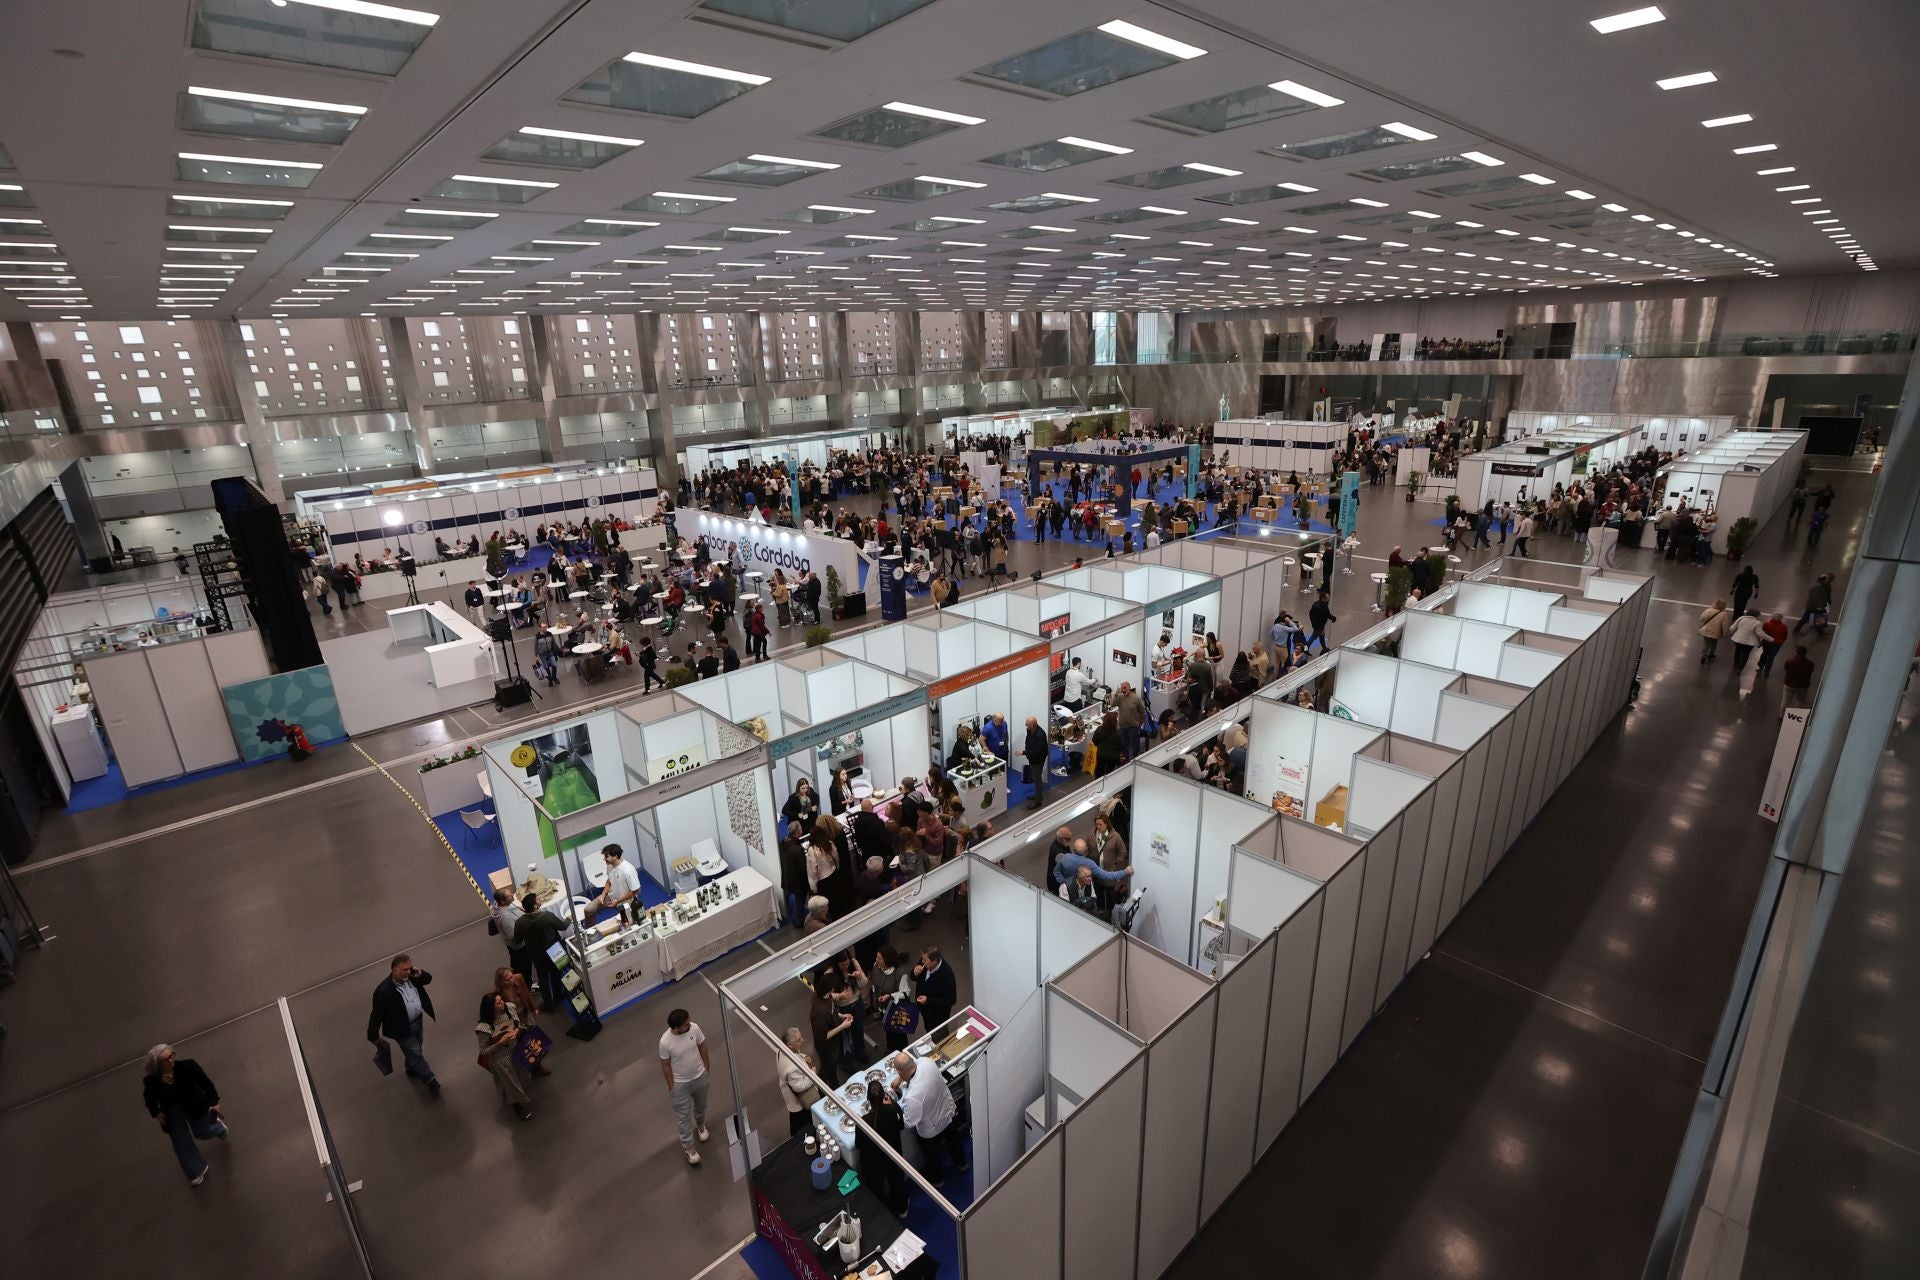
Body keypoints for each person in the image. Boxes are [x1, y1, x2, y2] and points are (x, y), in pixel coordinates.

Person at [142, 1044, 228, 1187]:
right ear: (157, 1064)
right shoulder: (152, 1081)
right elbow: (149, 1098)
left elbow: (206, 1084)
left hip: (195, 1106)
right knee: (181, 1143)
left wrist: (214, 1102)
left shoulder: (188, 1066)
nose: (170, 1061)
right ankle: (196, 1170)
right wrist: (156, 1113)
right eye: (165, 1060)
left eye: (171, 1056)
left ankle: (218, 1127)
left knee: (203, 1132)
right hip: (172, 1113)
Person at [366, 954, 439, 1095]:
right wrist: (372, 1035)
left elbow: (428, 979)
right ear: (394, 970)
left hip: (417, 1021)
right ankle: (430, 1079)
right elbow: (376, 1015)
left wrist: (419, 973)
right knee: (415, 1052)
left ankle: (411, 1068)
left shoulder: (412, 977)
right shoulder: (383, 991)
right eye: (405, 969)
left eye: (409, 968)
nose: (408, 972)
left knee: (417, 1046)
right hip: (401, 1029)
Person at [894, 1051, 968, 1183]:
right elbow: (913, 1064)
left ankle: (937, 1180)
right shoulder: (926, 1062)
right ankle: (962, 1164)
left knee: (932, 1157)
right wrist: (900, 1078)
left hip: (932, 1129)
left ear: (900, 1071)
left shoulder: (912, 1096)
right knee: (954, 1141)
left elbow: (910, 1122)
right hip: (948, 1111)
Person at [476, 981, 536, 1121]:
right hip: (501, 1058)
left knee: (521, 1075)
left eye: (501, 1000)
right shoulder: (484, 1028)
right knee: (510, 1082)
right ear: (490, 1008)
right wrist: (500, 1042)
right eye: (498, 1003)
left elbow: (519, 1024)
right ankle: (517, 1106)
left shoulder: (510, 1008)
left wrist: (517, 1031)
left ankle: (518, 1095)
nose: (502, 1003)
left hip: (516, 1049)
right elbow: (484, 1051)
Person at [658, 1009, 712, 1165]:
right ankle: (689, 1148)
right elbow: (666, 1066)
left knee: (702, 1106)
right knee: (683, 1118)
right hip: (680, 1085)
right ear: (676, 1028)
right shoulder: (665, 1042)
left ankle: (701, 1125)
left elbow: (702, 1045)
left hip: (699, 1077)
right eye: (686, 1024)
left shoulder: (694, 1028)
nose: (690, 1024)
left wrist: (706, 1067)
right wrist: (671, 1087)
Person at [859, 1082, 912, 1216]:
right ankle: (902, 1209)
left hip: (874, 1162)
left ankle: (880, 1213)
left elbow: (858, 1144)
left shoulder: (863, 1121)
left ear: (868, 1100)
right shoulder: (893, 1110)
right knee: (897, 1182)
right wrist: (893, 1105)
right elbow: (901, 1126)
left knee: (876, 1189)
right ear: (884, 1096)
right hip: (893, 1156)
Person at [512, 895, 566, 1011]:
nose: (540, 899)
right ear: (535, 906)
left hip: (536, 954)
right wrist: (569, 918)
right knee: (556, 974)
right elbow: (562, 927)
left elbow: (517, 940)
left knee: (543, 978)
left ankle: (548, 1005)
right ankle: (558, 997)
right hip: (554, 950)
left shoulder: (520, 923)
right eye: (538, 899)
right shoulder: (546, 916)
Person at [810, 972, 854, 1088]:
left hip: (833, 1044)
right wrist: (842, 1026)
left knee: (828, 1067)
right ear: (831, 988)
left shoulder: (824, 996)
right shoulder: (820, 1011)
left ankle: (821, 1085)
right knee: (829, 1070)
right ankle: (831, 1089)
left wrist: (841, 1016)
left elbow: (833, 1010)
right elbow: (823, 1036)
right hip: (827, 1048)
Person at [776, 1027, 821, 1138]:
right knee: (800, 1120)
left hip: (790, 1091)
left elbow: (796, 1054)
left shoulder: (781, 1050)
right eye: (799, 1040)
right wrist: (812, 1074)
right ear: (790, 1045)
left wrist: (803, 1056)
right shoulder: (791, 1068)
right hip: (798, 1100)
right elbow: (799, 1087)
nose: (803, 1040)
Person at [491, 886, 530, 986]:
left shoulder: (498, 906)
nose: (512, 895)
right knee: (524, 967)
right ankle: (526, 985)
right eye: (509, 896)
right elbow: (514, 937)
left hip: (512, 946)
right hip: (519, 947)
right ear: (502, 901)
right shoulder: (506, 918)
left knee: (516, 963)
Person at [591, 843, 641, 918]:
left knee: (630, 922)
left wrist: (618, 901)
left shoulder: (628, 871)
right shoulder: (609, 865)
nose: (604, 859)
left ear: (615, 856)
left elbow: (636, 890)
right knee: (588, 910)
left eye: (606, 856)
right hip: (612, 897)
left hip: (626, 902)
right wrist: (603, 894)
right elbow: (609, 880)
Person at [913, 946, 957, 1030]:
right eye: (922, 959)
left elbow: (951, 1000)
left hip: (937, 1017)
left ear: (935, 961)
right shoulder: (924, 961)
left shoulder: (947, 975)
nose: (922, 962)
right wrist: (914, 972)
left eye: (925, 960)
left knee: (939, 1037)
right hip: (925, 1012)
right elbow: (914, 977)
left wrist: (928, 1001)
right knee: (928, 1028)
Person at [1022, 714, 1049, 810]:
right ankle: (1038, 795)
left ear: (1033, 725)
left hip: (1037, 760)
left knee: (1037, 779)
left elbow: (1037, 751)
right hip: (1033, 759)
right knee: (1036, 778)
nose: (1026, 725)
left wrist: (1023, 752)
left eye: (1027, 724)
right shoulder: (1031, 730)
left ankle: (1038, 801)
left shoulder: (1040, 735)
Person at [1782, 646, 1816, 712]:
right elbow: (1811, 671)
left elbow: (1786, 668)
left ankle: (1781, 715)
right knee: (1801, 702)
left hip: (1789, 684)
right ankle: (1793, 715)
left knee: (1785, 702)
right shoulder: (1811, 664)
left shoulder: (1789, 662)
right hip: (1803, 686)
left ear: (1796, 652)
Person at [1756, 613, 1790, 678]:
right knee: (1771, 657)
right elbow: (1785, 636)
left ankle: (1761, 665)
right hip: (1777, 643)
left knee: (1765, 653)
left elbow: (1763, 633)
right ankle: (1766, 672)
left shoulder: (1767, 624)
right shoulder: (1784, 626)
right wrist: (1781, 641)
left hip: (1767, 642)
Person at [1698, 599, 1731, 664]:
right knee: (1714, 643)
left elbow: (1701, 618)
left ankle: (1704, 656)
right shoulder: (1724, 614)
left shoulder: (1708, 610)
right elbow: (1725, 625)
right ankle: (1711, 654)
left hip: (1706, 630)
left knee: (1706, 644)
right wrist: (1724, 633)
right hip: (1716, 632)